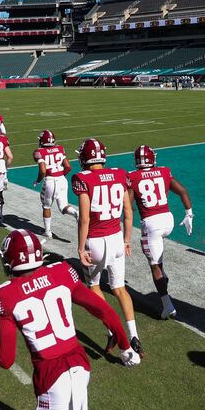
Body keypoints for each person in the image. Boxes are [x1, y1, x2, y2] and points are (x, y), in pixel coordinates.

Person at [0, 229, 140, 410]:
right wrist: (125, 346)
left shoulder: (3, 295)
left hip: (49, 374)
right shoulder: (62, 271)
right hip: (80, 365)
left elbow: (5, 360)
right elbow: (103, 309)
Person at [71, 138, 143, 356]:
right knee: (119, 288)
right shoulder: (120, 174)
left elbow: (84, 219)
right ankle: (134, 336)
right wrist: (127, 239)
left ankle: (112, 329)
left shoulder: (83, 178)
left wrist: (80, 248)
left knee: (94, 286)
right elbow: (128, 212)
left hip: (96, 240)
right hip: (117, 238)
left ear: (84, 158)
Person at [127, 145, 193, 319]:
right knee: (157, 259)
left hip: (152, 224)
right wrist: (189, 214)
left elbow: (128, 206)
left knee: (154, 266)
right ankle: (163, 278)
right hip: (168, 220)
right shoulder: (163, 171)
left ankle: (167, 306)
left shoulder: (132, 176)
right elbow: (183, 191)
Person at [32, 130, 78, 239]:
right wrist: (60, 176)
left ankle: (47, 232)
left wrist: (38, 181)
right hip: (62, 179)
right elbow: (68, 167)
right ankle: (76, 213)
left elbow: (43, 171)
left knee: (46, 206)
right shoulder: (60, 148)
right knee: (63, 207)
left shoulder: (39, 152)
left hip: (50, 181)